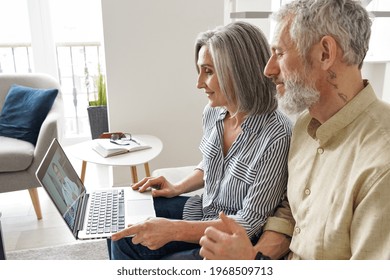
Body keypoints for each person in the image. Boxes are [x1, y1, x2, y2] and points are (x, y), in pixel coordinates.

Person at [199, 0, 390, 260]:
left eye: (279, 53)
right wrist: (255, 258)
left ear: (325, 53)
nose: (268, 70)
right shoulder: (303, 125)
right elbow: (291, 210)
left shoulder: (381, 165)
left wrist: (250, 265)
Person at [108, 21, 292, 260]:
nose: (198, 83)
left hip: (231, 240)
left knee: (146, 247)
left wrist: (172, 230)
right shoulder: (213, 112)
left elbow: (249, 222)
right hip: (203, 210)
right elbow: (212, 162)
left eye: (208, 71)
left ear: (238, 72)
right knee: (121, 228)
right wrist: (179, 187)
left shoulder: (277, 136)